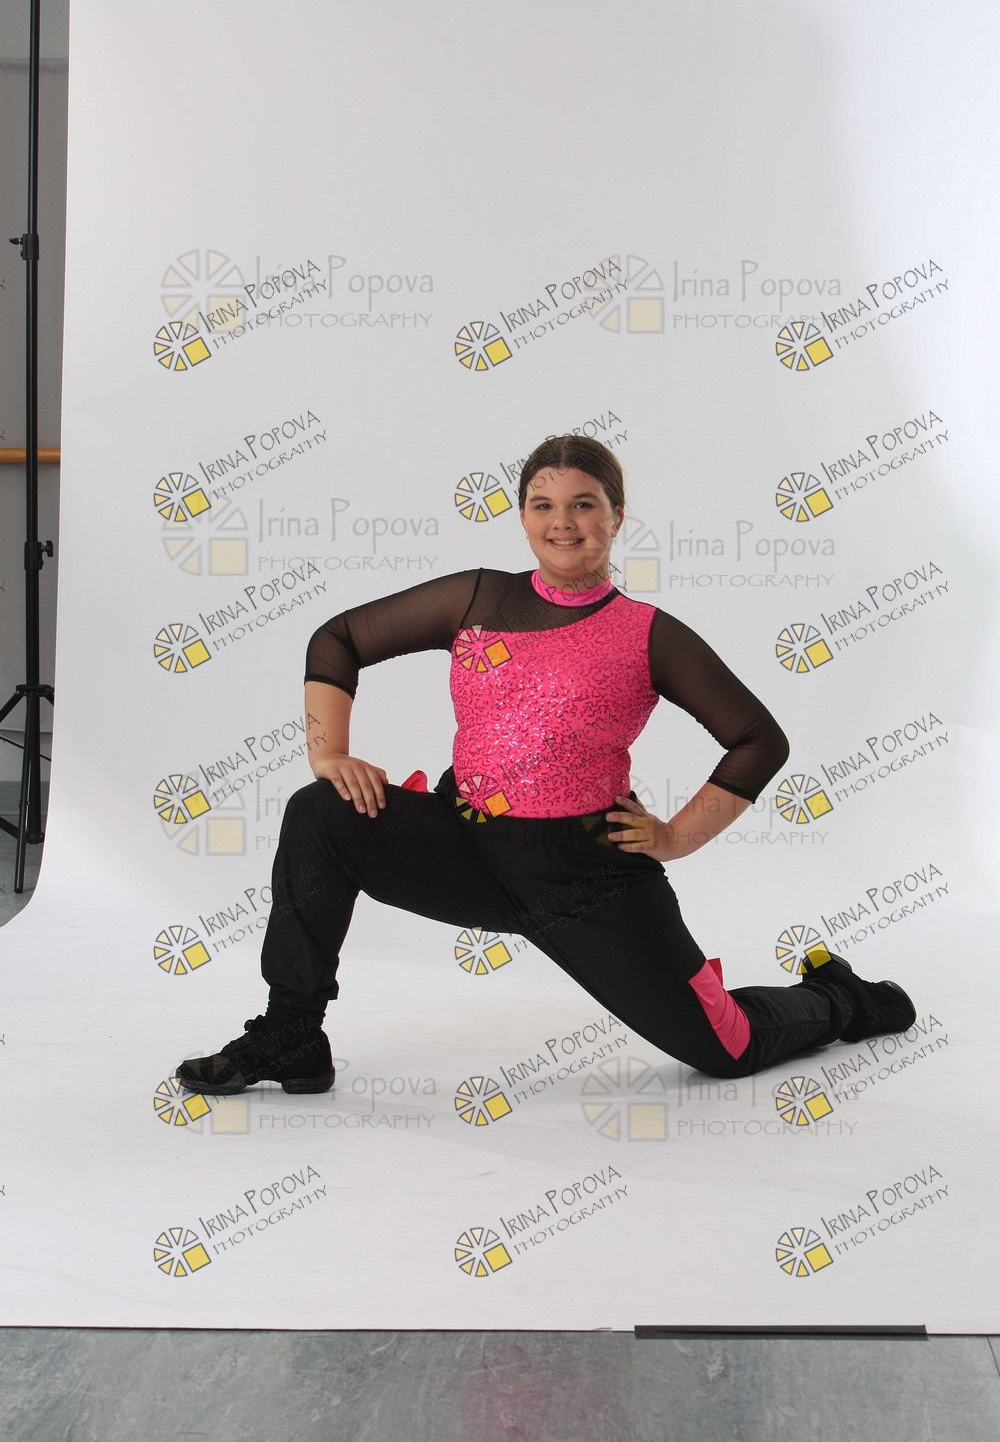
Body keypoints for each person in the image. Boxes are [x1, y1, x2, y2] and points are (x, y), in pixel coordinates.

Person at [175, 435, 915, 1097]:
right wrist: (328, 754)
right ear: (524, 517)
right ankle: (293, 1034)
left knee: (727, 1048)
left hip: (585, 876)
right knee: (321, 813)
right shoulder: (476, 598)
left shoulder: (648, 634)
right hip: (463, 845)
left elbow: (758, 739)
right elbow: (336, 639)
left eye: (584, 504)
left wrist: (676, 837)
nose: (563, 522)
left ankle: (841, 998)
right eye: (543, 505)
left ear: (616, 517)